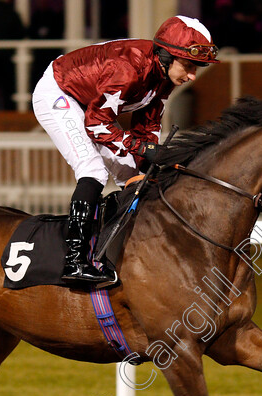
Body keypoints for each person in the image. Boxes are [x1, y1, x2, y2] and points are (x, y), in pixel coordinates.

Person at [31, 15, 219, 283]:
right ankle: (74, 260)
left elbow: (147, 127)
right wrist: (144, 148)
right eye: (189, 65)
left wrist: (147, 159)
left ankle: (132, 253)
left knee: (135, 176)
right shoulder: (128, 70)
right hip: (60, 93)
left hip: (91, 104)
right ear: (166, 56)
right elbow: (96, 124)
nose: (191, 75)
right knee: (92, 169)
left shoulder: (163, 78)